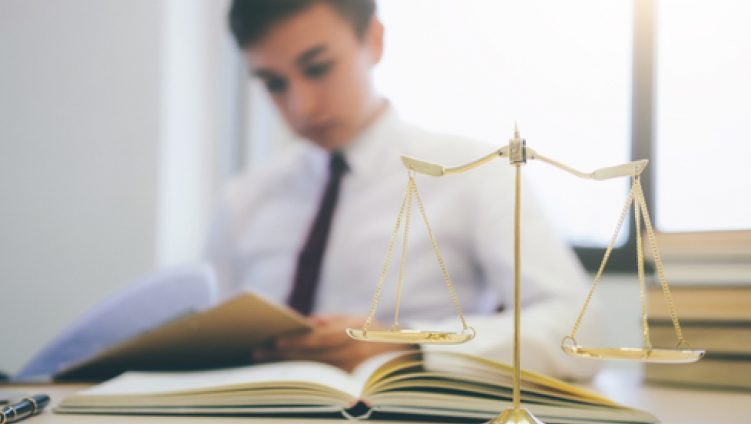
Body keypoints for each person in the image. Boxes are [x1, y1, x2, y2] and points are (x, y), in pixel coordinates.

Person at [206, 0, 605, 380]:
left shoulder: (473, 174)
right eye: (274, 83)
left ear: (374, 41)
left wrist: (407, 347)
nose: (303, 106)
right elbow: (213, 341)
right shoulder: (242, 199)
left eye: (319, 68)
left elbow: (579, 327)